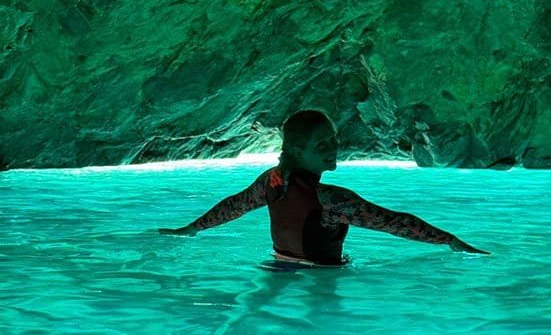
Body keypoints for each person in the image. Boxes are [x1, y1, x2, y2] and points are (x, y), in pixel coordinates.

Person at [158, 109, 490, 263]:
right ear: (298, 151)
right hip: (322, 280)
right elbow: (394, 222)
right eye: (322, 145)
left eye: (333, 140)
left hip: (277, 267)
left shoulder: (273, 181)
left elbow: (234, 206)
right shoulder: (330, 199)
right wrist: (449, 241)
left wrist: (191, 229)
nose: (333, 148)